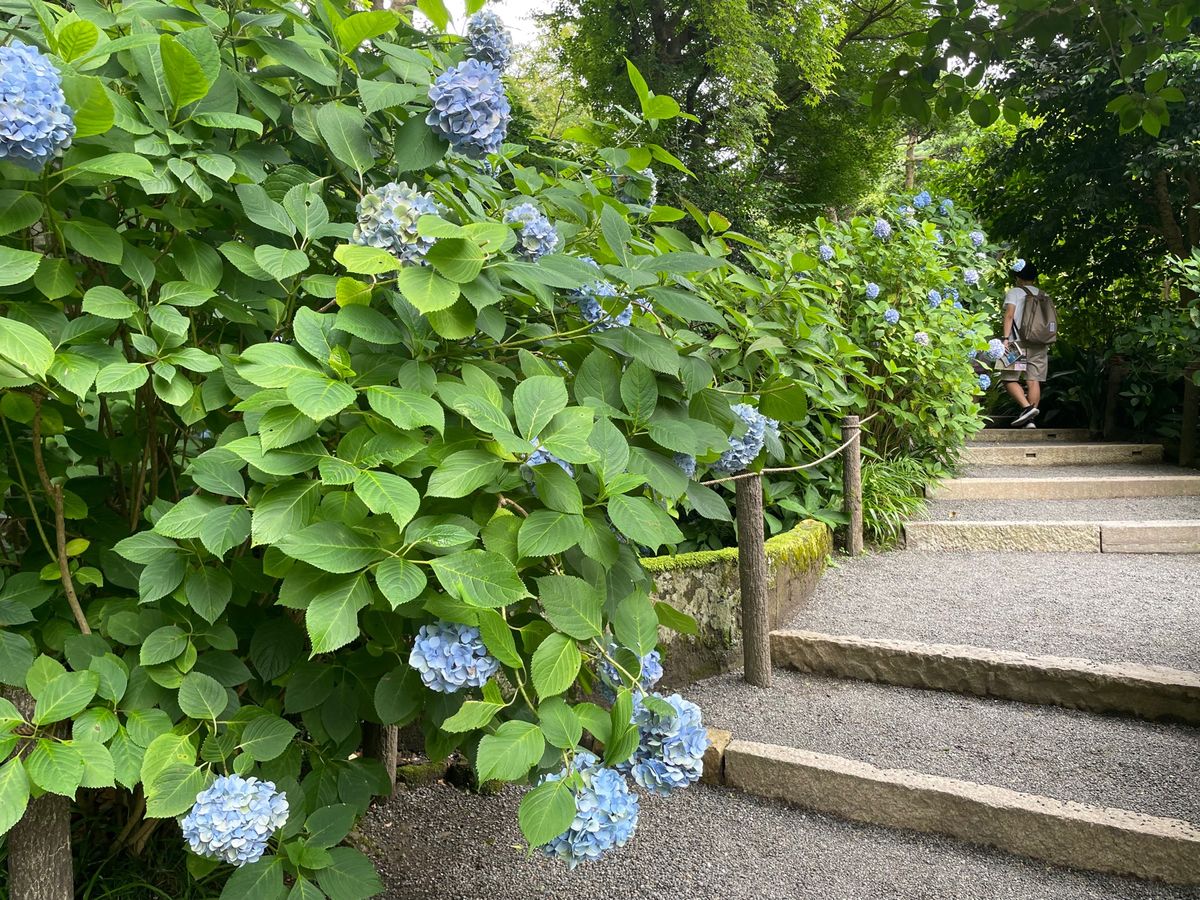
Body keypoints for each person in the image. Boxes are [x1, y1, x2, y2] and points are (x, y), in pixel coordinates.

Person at [1001, 260, 1050, 427]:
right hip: (1040, 342)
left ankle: (1027, 408)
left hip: (1016, 342)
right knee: (1033, 379)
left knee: (1008, 378)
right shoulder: (1043, 294)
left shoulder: (1014, 292)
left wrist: (1005, 338)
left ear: (1018, 277)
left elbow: (1009, 315)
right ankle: (1030, 421)